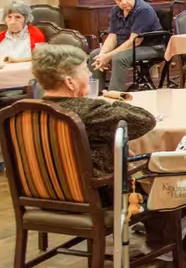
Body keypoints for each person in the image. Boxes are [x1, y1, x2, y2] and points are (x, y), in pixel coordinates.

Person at [35, 44, 155, 178]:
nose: (90, 74)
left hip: (44, 194)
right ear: (70, 83)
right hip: (102, 193)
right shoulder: (89, 111)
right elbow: (145, 120)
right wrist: (111, 101)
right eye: (85, 70)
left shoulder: (26, 114)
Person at [88, 0, 163, 91]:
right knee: (95, 55)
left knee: (119, 58)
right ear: (114, 0)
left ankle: (113, 96)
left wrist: (108, 56)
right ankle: (95, 93)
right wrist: (102, 54)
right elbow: (112, 36)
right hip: (129, 46)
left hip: (152, 47)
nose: (123, 2)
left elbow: (135, 41)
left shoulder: (143, 10)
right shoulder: (116, 10)